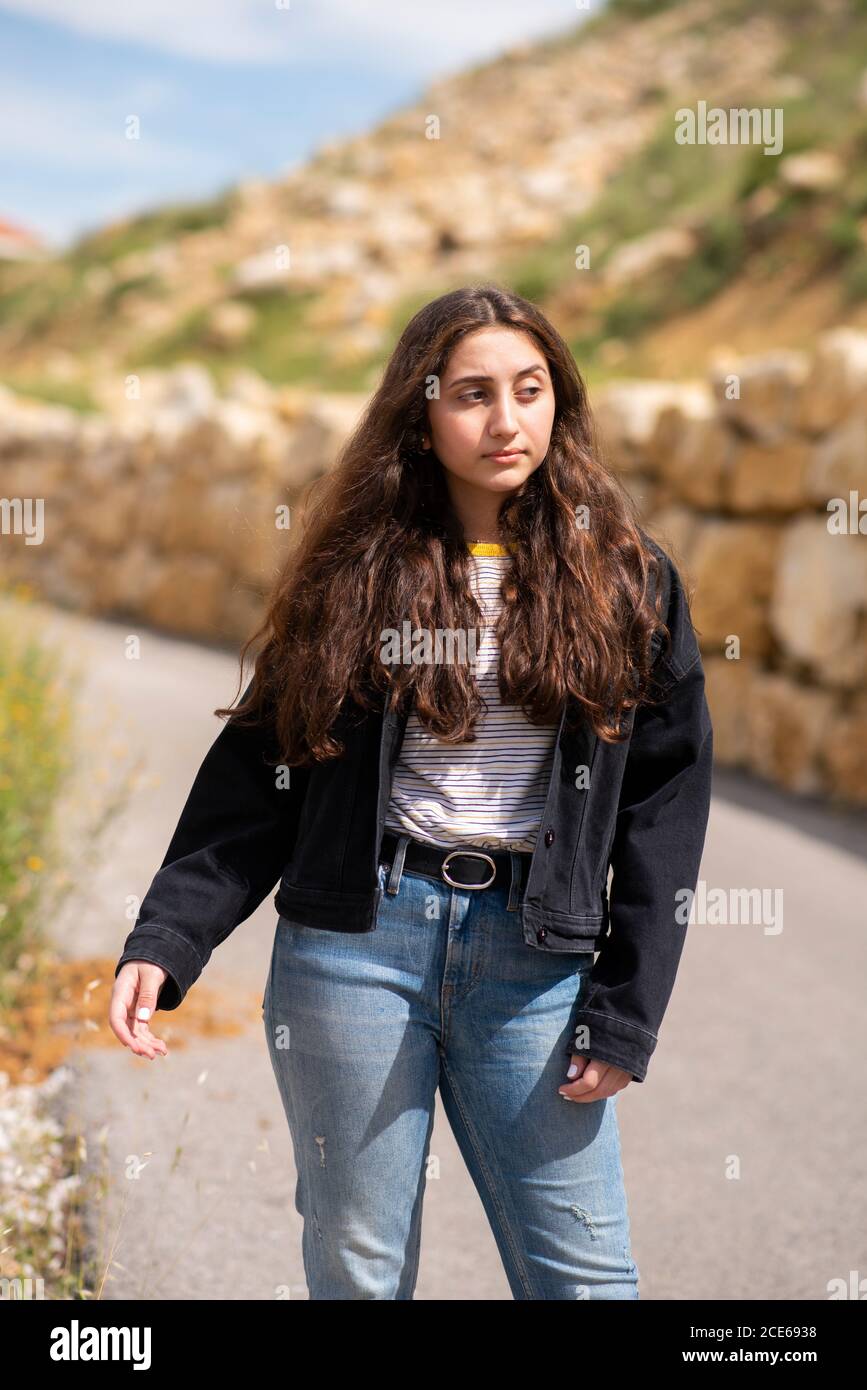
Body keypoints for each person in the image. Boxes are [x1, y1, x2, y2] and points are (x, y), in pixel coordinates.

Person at [110, 284, 713, 1300]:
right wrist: (167, 937)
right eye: (472, 393)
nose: (506, 419)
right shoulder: (357, 576)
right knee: (359, 1266)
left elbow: (665, 799)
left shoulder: (627, 578)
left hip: (537, 963)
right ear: (421, 412)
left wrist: (627, 1009)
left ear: (559, 400)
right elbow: (265, 766)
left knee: (587, 1273)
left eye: (529, 389)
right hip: (354, 951)